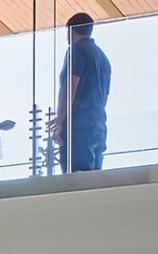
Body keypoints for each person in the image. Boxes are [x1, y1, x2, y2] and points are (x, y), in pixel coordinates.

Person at [51, 12, 111, 174]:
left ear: (71, 31)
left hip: (78, 126)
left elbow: (71, 86)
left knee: (75, 179)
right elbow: (105, 97)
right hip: (98, 126)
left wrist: (60, 121)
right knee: (93, 179)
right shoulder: (103, 59)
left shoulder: (76, 50)